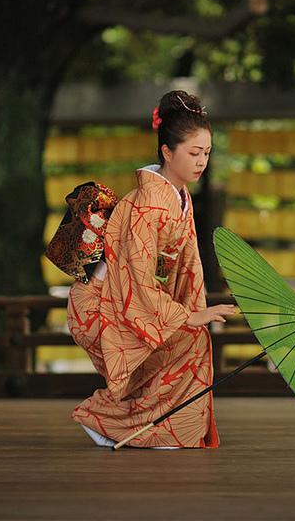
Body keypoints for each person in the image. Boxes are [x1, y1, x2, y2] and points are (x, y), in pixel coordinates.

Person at [67, 90, 236, 449]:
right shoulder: (149, 204)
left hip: (134, 301)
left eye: (206, 153)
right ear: (167, 152)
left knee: (190, 340)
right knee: (185, 340)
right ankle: (109, 420)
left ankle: (150, 427)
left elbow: (189, 266)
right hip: (104, 304)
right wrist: (188, 316)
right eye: (194, 153)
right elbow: (137, 278)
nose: (202, 162)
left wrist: (196, 310)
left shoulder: (180, 198)